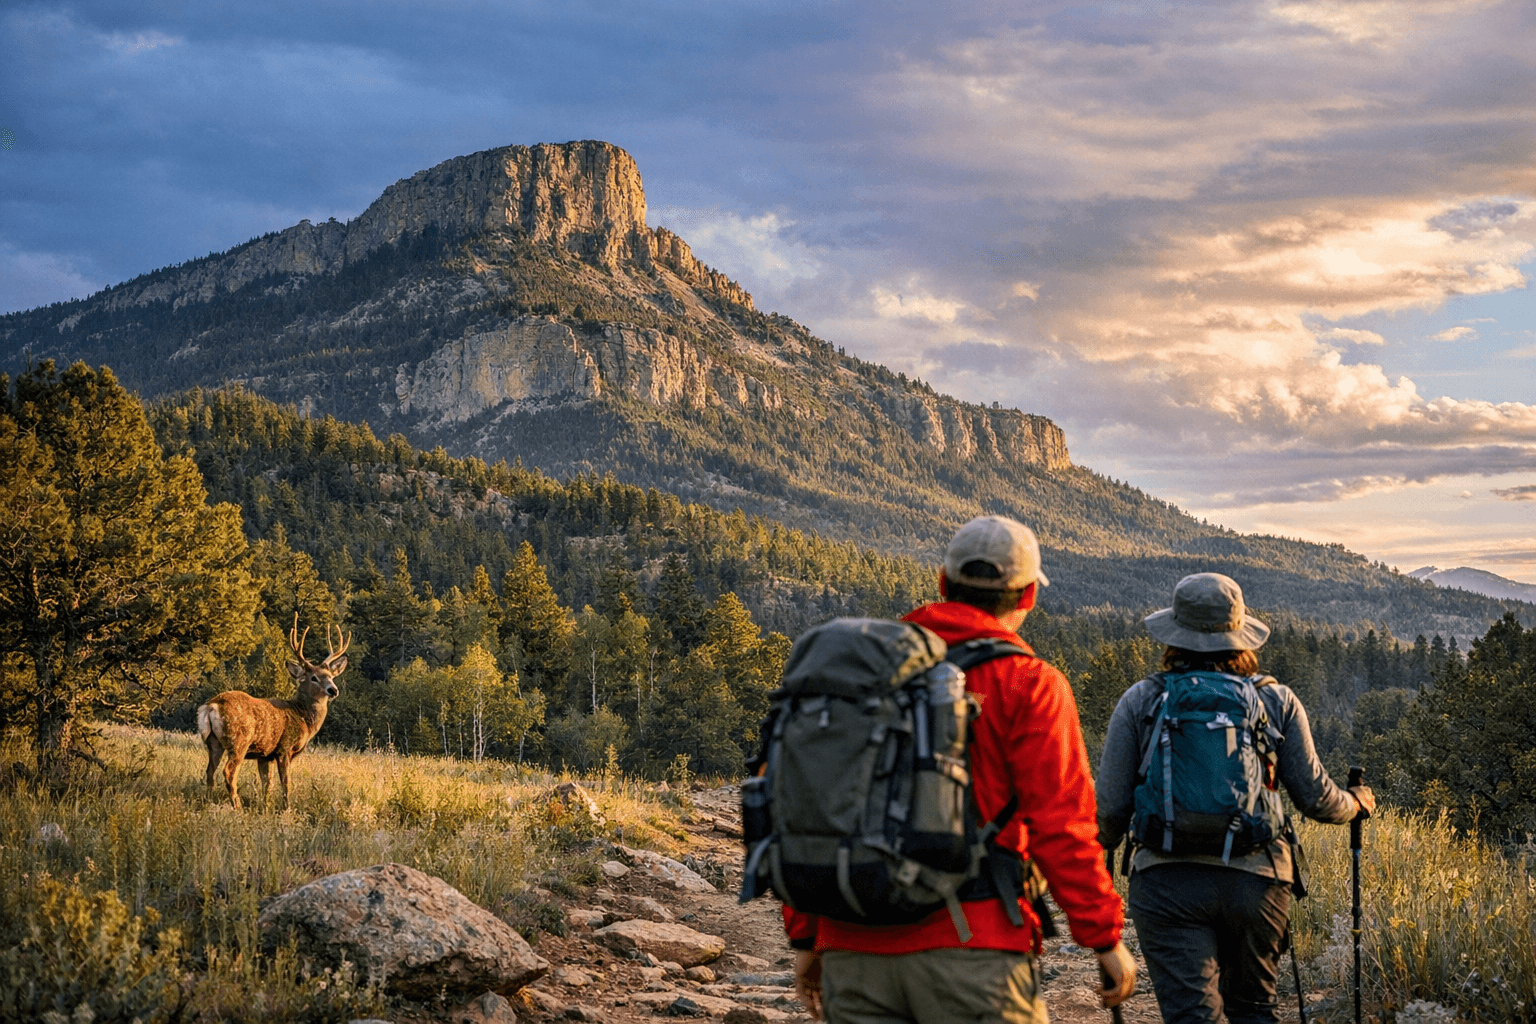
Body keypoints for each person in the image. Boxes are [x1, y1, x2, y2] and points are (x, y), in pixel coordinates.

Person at [786, 514, 1136, 1024]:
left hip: (852, 946)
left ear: (943, 584)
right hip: (977, 948)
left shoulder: (856, 671)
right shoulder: (1030, 682)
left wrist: (809, 935)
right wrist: (1103, 937)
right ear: (1026, 598)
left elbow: (804, 803)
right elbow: (1062, 826)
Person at [1096, 572, 1377, 1024]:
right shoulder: (1275, 700)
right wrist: (1358, 801)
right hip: (1258, 881)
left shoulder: (1141, 700)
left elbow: (1108, 812)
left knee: (1192, 1015)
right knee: (1254, 1011)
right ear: (1241, 634)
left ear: (1174, 633)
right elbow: (1317, 800)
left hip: (1167, 883)